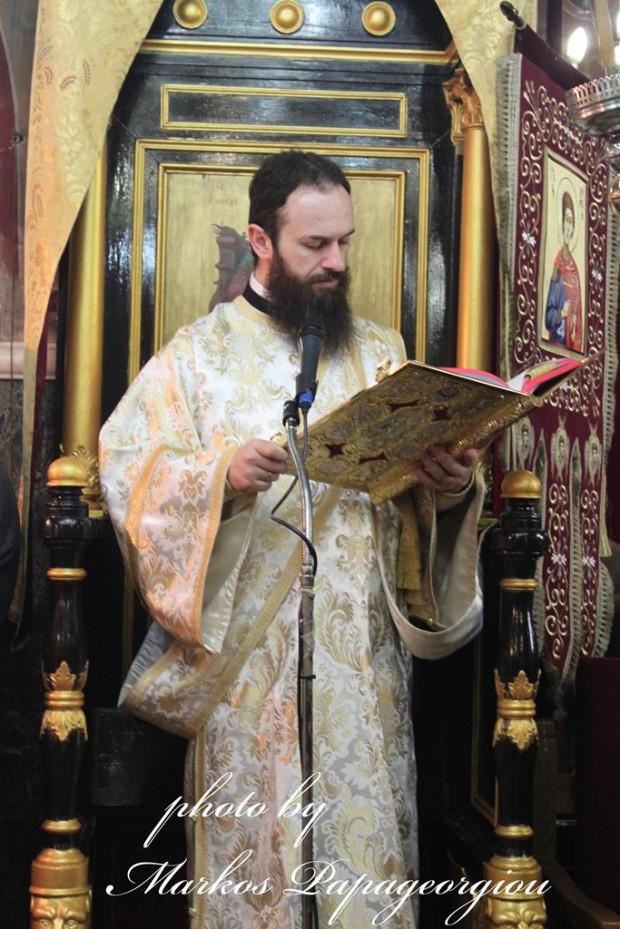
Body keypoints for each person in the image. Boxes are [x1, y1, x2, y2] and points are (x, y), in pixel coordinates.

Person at [99, 151, 485, 928]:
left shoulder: (379, 353)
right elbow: (128, 470)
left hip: (361, 679)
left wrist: (448, 487)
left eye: (345, 241)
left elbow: (416, 509)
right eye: (316, 244)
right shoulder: (196, 359)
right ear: (260, 241)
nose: (336, 261)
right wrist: (220, 476)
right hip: (247, 686)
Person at [545, 190, 584, 353]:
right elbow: (548, 319)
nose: (568, 227)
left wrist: (575, 323)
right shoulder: (557, 269)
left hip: (572, 348)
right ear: (561, 224)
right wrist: (561, 313)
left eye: (571, 222)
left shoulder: (575, 271)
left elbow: (579, 315)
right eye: (566, 220)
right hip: (558, 344)